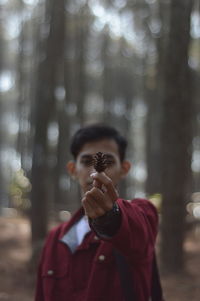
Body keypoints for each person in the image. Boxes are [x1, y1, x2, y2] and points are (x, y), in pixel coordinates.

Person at [35, 123, 162, 301]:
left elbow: (136, 229)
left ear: (124, 168)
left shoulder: (142, 214)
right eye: (87, 161)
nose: (96, 170)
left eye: (107, 162)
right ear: (73, 169)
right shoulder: (56, 239)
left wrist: (111, 217)